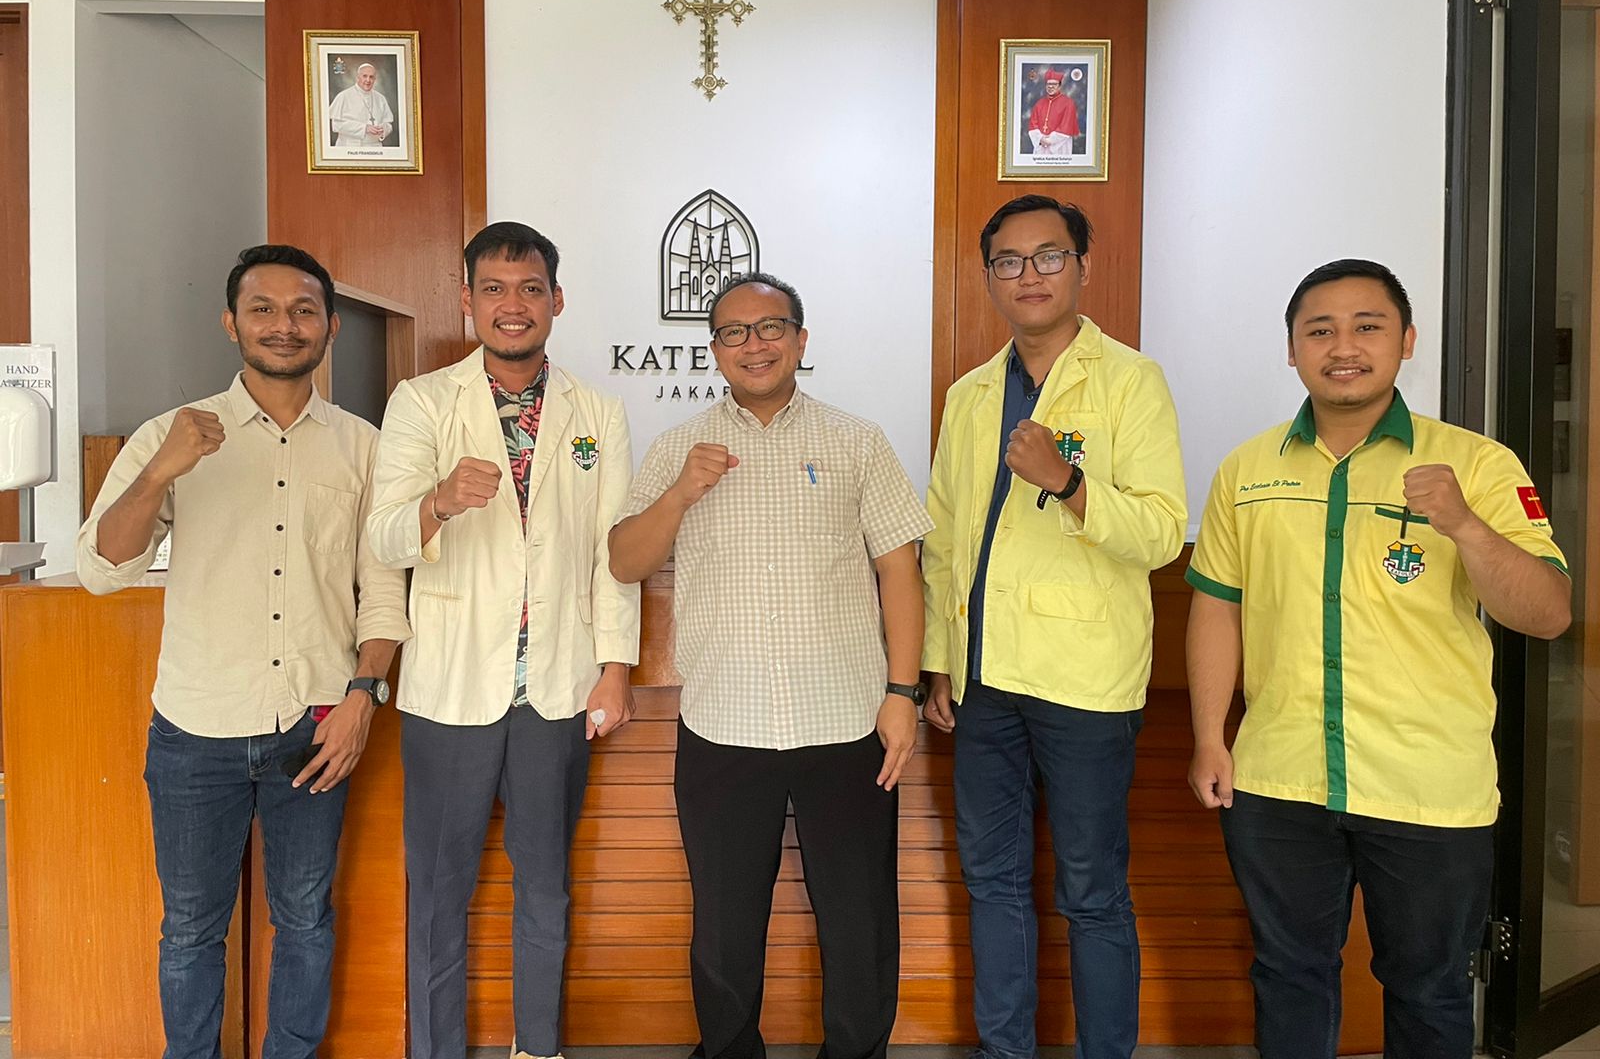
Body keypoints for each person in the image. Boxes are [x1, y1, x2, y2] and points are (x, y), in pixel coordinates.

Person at [1184, 259, 1571, 1059]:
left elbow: (1546, 613)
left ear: (1407, 341)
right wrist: (1210, 737)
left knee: (1429, 989)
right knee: (1288, 976)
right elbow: (1218, 606)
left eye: (1368, 327)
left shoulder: (1477, 464)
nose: (1344, 347)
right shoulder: (1248, 471)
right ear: (1292, 349)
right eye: (1319, 330)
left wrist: (1465, 524)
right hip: (1280, 779)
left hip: (1428, 786)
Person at [76, 244, 410, 1059]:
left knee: (305, 918)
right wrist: (159, 473)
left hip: (315, 724)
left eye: (302, 310)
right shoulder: (172, 433)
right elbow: (101, 570)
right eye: (263, 308)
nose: (283, 325)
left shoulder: (364, 446)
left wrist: (363, 697)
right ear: (231, 323)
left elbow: (382, 591)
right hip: (197, 729)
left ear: (330, 326)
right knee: (191, 927)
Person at [610, 272, 933, 1059]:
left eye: (771, 328)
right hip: (724, 723)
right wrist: (679, 495)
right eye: (734, 332)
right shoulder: (678, 447)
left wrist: (902, 692)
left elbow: (900, 570)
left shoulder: (857, 441)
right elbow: (624, 561)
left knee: (859, 917)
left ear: (800, 339)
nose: (753, 345)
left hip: (847, 720)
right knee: (724, 925)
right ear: (714, 348)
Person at [365, 220, 640, 1059]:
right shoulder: (422, 402)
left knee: (545, 888)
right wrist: (439, 501)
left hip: (556, 686)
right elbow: (381, 537)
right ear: (467, 299)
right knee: (438, 891)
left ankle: (538, 1048)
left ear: (556, 300)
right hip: (450, 687)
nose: (511, 305)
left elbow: (613, 554)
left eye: (529, 289)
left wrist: (616, 668)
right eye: (493, 288)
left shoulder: (598, 412)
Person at [921, 195, 1187, 1059]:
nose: (1028, 275)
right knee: (992, 883)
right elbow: (945, 539)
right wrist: (938, 663)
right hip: (984, 684)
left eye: (1048, 257)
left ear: (1083, 266)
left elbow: (1159, 533)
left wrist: (1068, 483)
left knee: (1091, 892)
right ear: (987, 276)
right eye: (1009, 260)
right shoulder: (970, 394)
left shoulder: (1132, 381)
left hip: (1085, 683)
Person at [328, 62, 394, 147]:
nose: (368, 80)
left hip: (374, 148)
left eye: (371, 77)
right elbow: (336, 126)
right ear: (358, 78)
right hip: (349, 146)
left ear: (375, 79)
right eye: (364, 76)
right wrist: (365, 128)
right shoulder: (344, 96)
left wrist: (383, 129)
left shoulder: (381, 98)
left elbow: (388, 124)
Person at [1027, 69, 1079, 157]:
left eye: (1054, 84)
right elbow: (1033, 125)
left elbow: (1066, 126)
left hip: (1060, 146)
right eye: (1048, 84)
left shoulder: (1068, 103)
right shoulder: (1039, 103)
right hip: (1041, 146)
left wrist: (1049, 141)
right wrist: (1040, 139)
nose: (1050, 87)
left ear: (1059, 86)